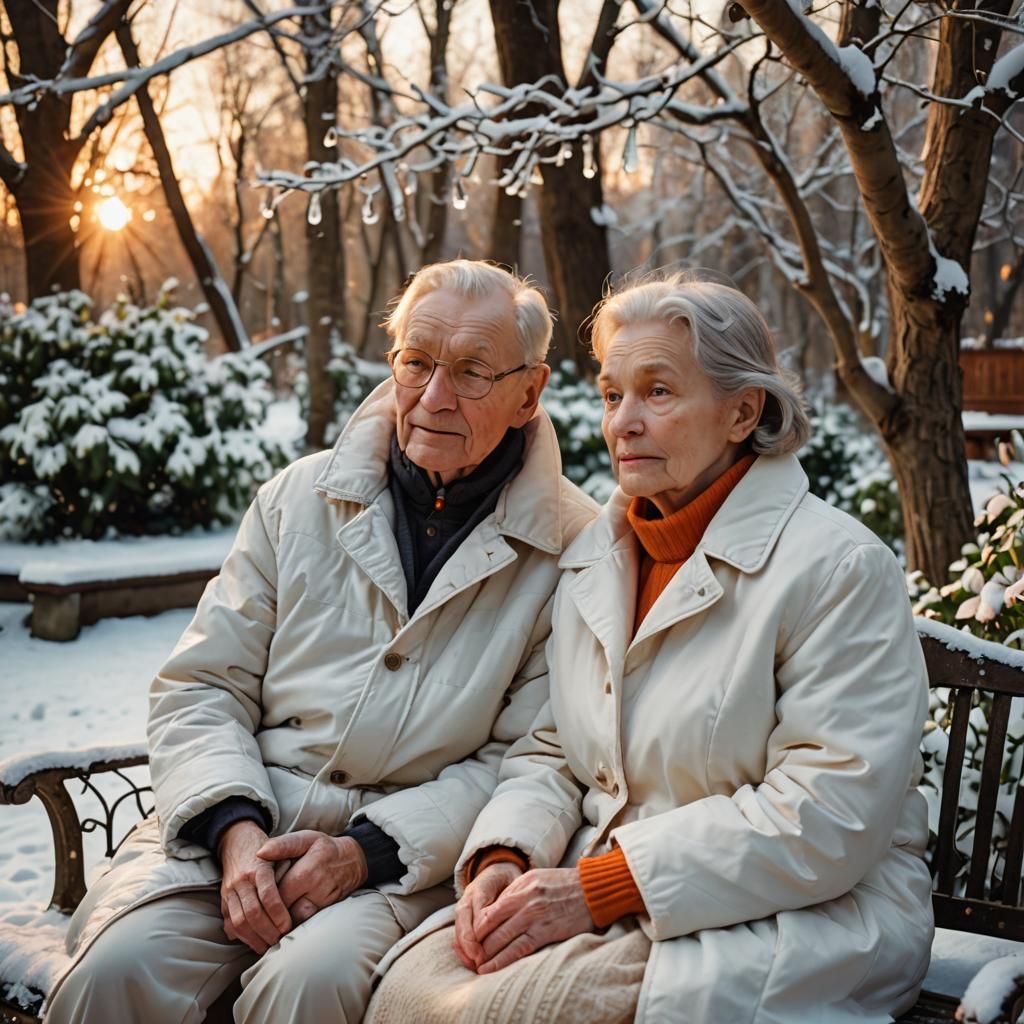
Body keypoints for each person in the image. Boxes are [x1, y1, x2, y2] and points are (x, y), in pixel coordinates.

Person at [365, 274, 934, 1024]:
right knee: (405, 991)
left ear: (742, 411)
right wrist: (506, 857)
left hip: (800, 913)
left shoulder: (839, 568)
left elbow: (826, 813)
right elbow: (551, 750)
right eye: (611, 395)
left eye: (657, 392)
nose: (623, 423)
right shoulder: (598, 556)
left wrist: (604, 886)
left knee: (499, 1014)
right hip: (611, 892)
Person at [43, 259, 598, 1024]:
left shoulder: (575, 546)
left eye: (473, 372)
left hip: (402, 862)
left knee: (309, 984)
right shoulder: (295, 498)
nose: (435, 396)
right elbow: (202, 685)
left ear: (528, 392)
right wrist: (234, 832)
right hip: (240, 824)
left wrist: (362, 852)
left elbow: (533, 756)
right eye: (417, 363)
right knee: (118, 971)